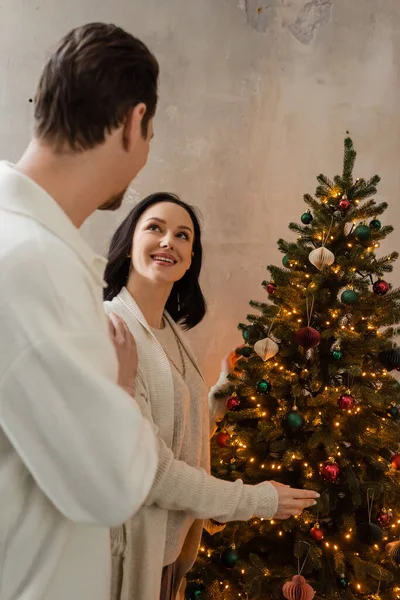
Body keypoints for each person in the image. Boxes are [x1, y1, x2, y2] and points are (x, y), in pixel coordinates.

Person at [0, 23, 161, 600]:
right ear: (131, 123)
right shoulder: (33, 263)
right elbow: (111, 486)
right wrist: (121, 386)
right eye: (149, 134)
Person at [103, 193, 320, 600]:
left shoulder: (169, 332)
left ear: (190, 259)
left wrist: (214, 401)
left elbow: (168, 431)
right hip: (126, 555)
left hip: (168, 555)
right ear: (128, 241)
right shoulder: (111, 330)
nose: (169, 241)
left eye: (182, 236)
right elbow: (150, 471)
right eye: (155, 228)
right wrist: (257, 499)